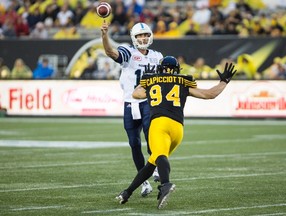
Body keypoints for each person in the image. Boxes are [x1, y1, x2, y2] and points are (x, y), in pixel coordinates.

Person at [115, 56, 237, 209]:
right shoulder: (183, 83)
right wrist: (224, 82)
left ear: (160, 69)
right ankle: (127, 192)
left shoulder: (152, 81)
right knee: (153, 162)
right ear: (177, 70)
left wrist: (145, 80)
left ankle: (165, 184)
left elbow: (136, 94)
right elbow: (210, 94)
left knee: (159, 156)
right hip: (178, 129)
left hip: (159, 124)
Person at [101, 21, 162, 196]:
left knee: (151, 135)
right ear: (133, 38)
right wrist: (104, 35)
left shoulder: (157, 56)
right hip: (130, 103)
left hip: (148, 102)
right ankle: (144, 182)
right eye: (139, 36)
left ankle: (157, 165)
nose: (143, 38)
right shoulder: (128, 52)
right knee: (134, 144)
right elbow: (110, 52)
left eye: (145, 35)